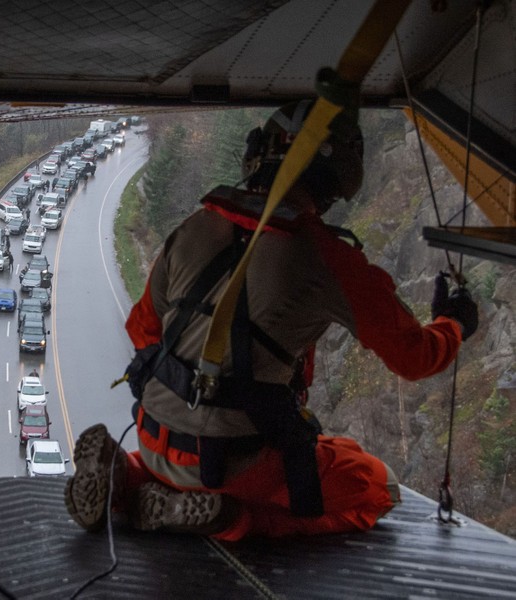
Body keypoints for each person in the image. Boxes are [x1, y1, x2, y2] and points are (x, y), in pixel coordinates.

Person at [65, 100, 478, 541]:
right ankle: (231, 518)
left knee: (189, 458)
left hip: (153, 437)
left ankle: (127, 479)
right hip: (235, 462)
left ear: (257, 154)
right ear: (337, 178)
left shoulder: (194, 227)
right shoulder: (329, 258)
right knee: (374, 485)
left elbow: (143, 329)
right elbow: (415, 358)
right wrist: (452, 323)